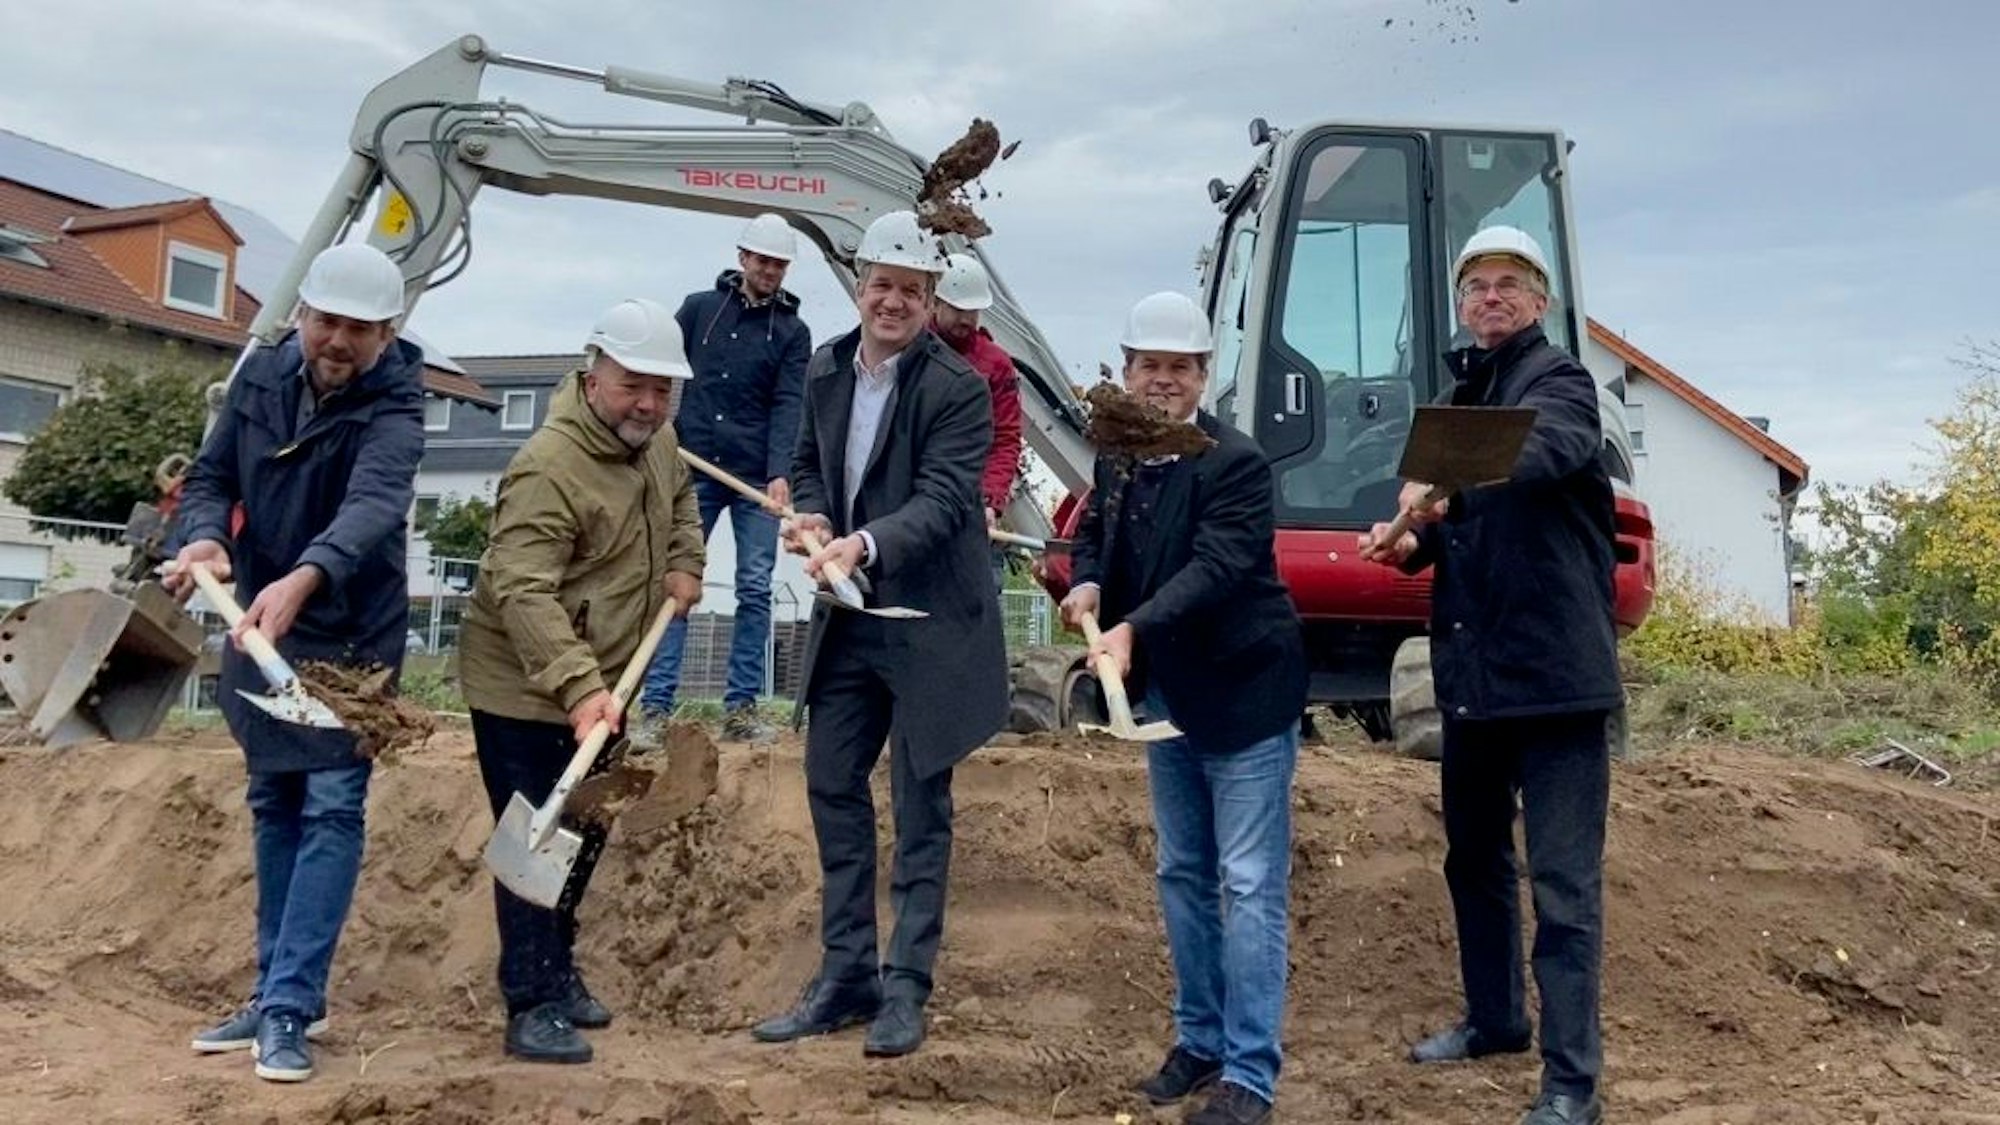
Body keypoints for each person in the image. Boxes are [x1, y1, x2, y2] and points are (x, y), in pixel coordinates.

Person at [1359, 226, 1619, 1125]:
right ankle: (1496, 1019)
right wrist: (1414, 544)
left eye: (1510, 284)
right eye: (1477, 286)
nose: (1492, 297)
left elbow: (1540, 452)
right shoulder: (1457, 399)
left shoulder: (1562, 384)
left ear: (1540, 301)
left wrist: (1442, 491)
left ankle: (1572, 1083)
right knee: (1473, 858)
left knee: (1563, 886)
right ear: (1461, 304)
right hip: (1474, 675)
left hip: (1555, 678)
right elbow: (1466, 527)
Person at [164, 243, 424, 1083]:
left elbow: (372, 507)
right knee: (273, 797)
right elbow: (210, 476)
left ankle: (288, 1003)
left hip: (349, 634)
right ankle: (278, 987)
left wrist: (305, 577)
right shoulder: (260, 378)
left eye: (359, 328)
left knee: (333, 803)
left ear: (387, 334)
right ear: (302, 315)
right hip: (260, 622)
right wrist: (206, 536)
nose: (338, 340)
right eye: (326, 321)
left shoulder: (398, 403)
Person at [750, 211, 1007, 1059]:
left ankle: (906, 986)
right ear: (859, 286)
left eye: (911, 290)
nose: (893, 301)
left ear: (931, 301)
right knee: (831, 779)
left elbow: (943, 500)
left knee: (920, 803)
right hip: (850, 615)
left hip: (929, 620)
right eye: (882, 285)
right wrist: (816, 515)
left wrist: (863, 543)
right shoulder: (826, 367)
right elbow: (809, 462)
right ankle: (847, 975)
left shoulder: (957, 389)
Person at [1059, 292, 1306, 1125]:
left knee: (1249, 881)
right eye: (1148, 366)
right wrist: (1089, 581)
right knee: (1182, 872)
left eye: (1179, 368)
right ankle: (1200, 1041)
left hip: (1244, 693)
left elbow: (1216, 568)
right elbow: (1094, 533)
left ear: (1203, 375)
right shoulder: (1120, 454)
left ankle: (1250, 1073)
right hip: (1168, 694)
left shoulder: (1235, 464)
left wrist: (1131, 627)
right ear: (1127, 371)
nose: (1162, 381)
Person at [455, 298, 706, 1065]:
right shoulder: (548, 468)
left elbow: (682, 498)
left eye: (662, 389)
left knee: (585, 829)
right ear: (593, 376)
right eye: (634, 385)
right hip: (526, 686)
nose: (649, 404)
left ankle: (558, 971)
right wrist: (575, 687)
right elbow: (521, 590)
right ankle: (530, 1001)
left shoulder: (658, 443)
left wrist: (685, 560)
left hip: (608, 680)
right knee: (535, 836)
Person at [640, 213, 811, 741]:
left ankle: (741, 709)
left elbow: (789, 404)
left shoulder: (792, 332)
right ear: (743, 258)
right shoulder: (699, 311)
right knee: (676, 580)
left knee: (755, 588)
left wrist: (781, 472)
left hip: (756, 478)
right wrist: (655, 434)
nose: (770, 271)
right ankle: (655, 708)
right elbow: (661, 367)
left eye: (779, 264)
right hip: (693, 467)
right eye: (762, 261)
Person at [930, 251, 1023, 587]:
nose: (966, 319)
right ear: (936, 303)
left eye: (972, 311)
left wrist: (990, 501)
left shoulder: (996, 365)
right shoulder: (910, 350)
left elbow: (1006, 438)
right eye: (958, 309)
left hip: (971, 502)